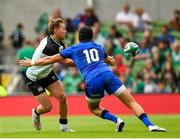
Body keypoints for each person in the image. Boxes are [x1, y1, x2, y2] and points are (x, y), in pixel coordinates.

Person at [19, 26, 167, 132]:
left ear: (79, 37)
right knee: (131, 102)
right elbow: (110, 61)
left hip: (93, 80)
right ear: (92, 37)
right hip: (108, 75)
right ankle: (150, 125)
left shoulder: (74, 48)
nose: (65, 31)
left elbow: (51, 59)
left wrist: (32, 62)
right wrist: (113, 61)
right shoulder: (99, 46)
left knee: (94, 108)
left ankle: (115, 120)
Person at [21, 18, 75, 132]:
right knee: (47, 108)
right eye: (63, 29)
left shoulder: (58, 43)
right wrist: (84, 62)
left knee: (62, 98)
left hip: (47, 73)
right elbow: (63, 62)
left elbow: (65, 60)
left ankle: (64, 127)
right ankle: (35, 112)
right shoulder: (50, 46)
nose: (66, 31)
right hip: (34, 78)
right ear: (55, 30)